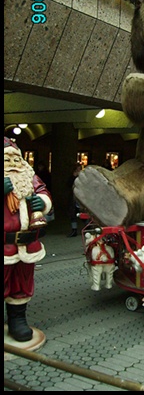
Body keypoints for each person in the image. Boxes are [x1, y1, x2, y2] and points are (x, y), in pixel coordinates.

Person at [4, 136, 53, 342]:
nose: (14, 164)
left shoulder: (29, 176)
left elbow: (44, 192)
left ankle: (17, 320)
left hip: (26, 244)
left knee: (22, 283)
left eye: (16, 159)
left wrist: (41, 202)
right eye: (8, 160)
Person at [67, 162, 83, 237]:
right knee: (72, 214)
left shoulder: (83, 176)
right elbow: (68, 184)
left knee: (82, 213)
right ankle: (74, 230)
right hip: (73, 197)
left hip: (81, 197)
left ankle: (88, 227)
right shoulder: (72, 176)